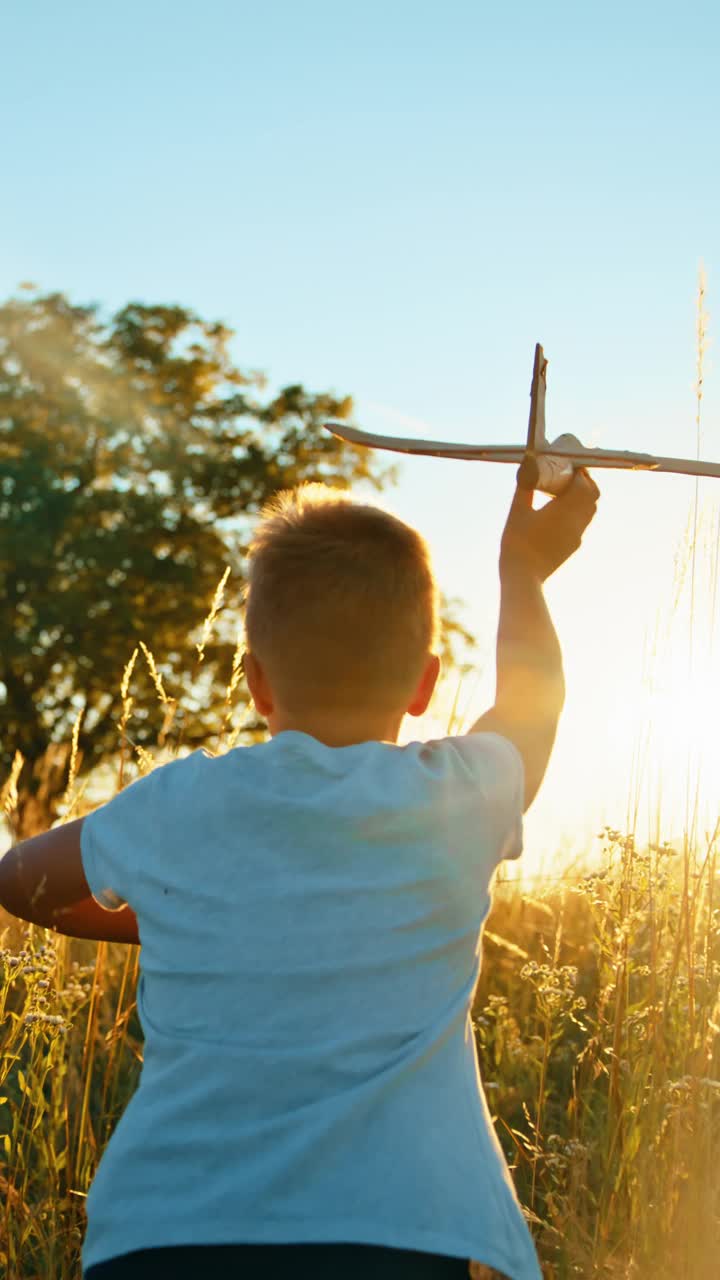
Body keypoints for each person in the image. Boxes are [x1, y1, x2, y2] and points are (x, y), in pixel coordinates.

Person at [0, 469, 599, 1280]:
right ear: (425, 684)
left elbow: (21, 880)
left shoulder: (180, 801)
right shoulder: (452, 798)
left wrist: (180, 916)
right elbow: (534, 708)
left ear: (255, 682)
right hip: (397, 1232)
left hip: (166, 1233)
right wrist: (521, 569)